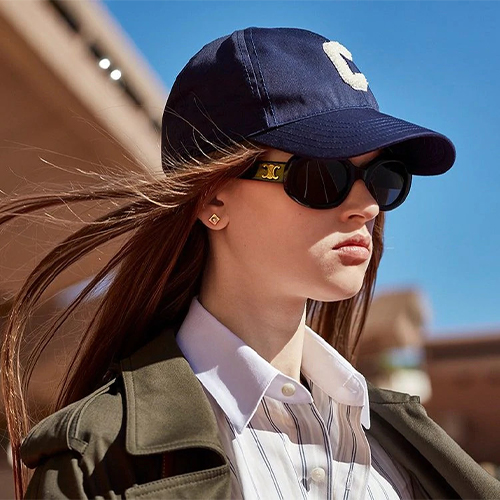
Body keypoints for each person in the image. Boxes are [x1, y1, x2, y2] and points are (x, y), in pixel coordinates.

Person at [1, 27, 499, 500]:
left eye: (384, 177)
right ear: (213, 197)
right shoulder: (96, 455)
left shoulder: (415, 452)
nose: (367, 206)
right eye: (323, 174)